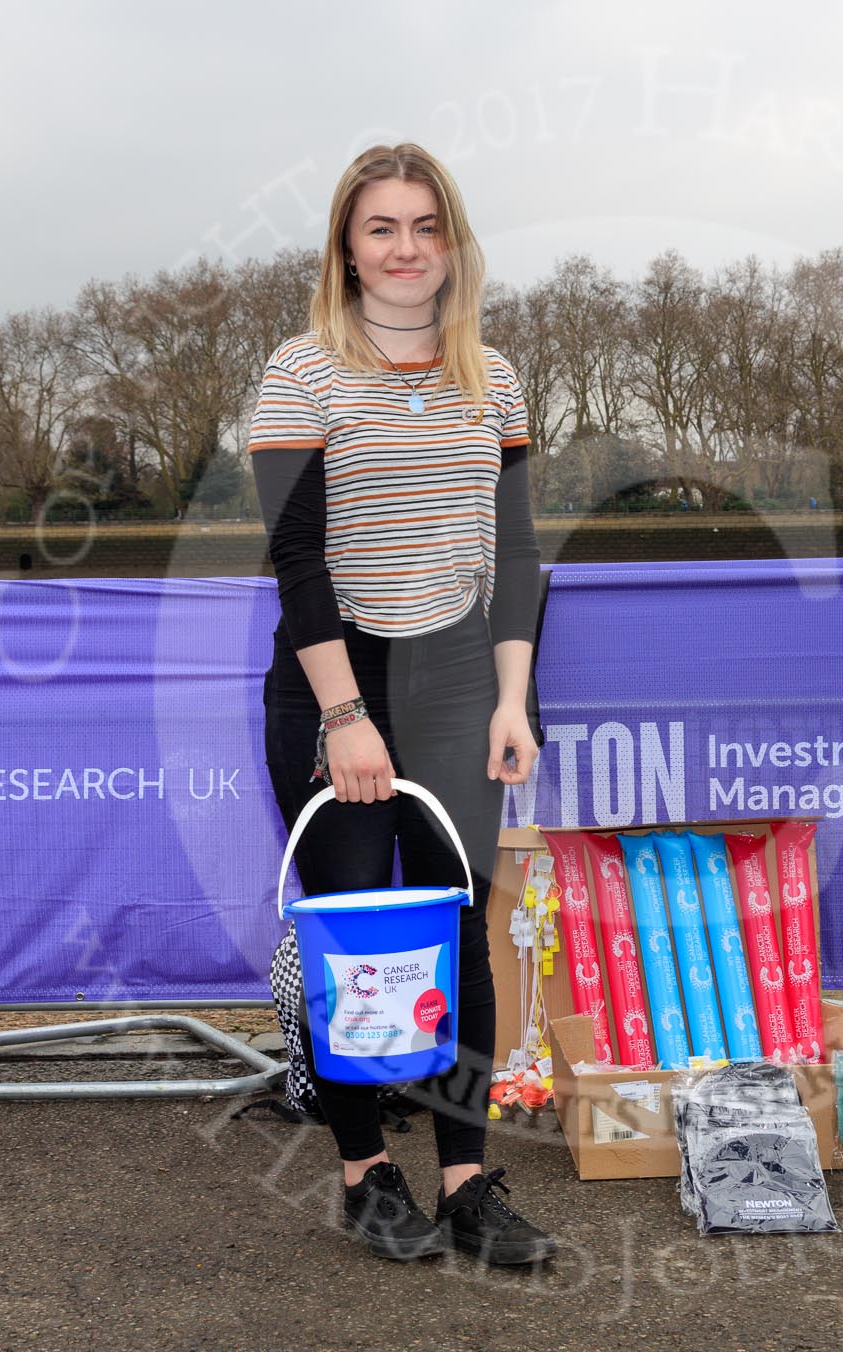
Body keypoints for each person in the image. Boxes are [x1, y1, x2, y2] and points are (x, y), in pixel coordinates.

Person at [249, 143, 555, 1266]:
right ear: (347, 245)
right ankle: (366, 1172)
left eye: (427, 225)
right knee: (355, 942)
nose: (407, 247)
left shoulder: (497, 376)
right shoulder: (301, 373)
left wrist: (512, 698)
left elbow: (517, 553)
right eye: (382, 227)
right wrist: (343, 715)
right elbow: (296, 557)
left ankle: (470, 1183)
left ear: (452, 243)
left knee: (461, 927)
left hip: (463, 677)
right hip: (337, 679)